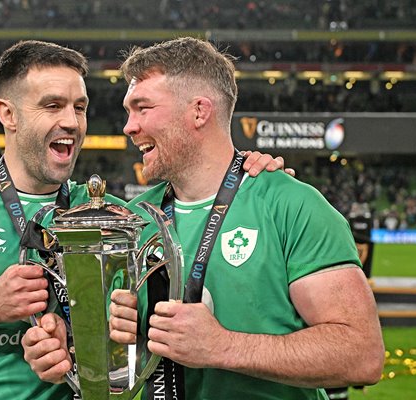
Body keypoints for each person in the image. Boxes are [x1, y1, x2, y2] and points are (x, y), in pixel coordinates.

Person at [0, 39, 287, 400]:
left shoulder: (113, 214)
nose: (71, 122)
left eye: (79, 107)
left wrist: (252, 176)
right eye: (53, 105)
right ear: (8, 114)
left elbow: (202, 193)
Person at [22, 37, 385, 400]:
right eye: (128, 111)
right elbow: (117, 359)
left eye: (143, 108)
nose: (129, 127)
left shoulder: (291, 205)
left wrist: (222, 346)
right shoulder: (131, 221)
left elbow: (361, 354)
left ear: (199, 111)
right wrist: (66, 348)